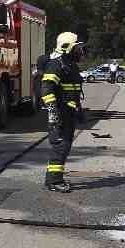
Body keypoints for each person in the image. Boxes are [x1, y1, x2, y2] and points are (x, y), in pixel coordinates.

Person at [40, 32, 86, 193]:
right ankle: (53, 180)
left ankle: (55, 178)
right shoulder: (56, 65)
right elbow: (46, 89)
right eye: (77, 47)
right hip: (60, 113)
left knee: (64, 146)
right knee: (60, 146)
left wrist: (79, 110)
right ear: (67, 48)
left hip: (69, 112)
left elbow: (73, 90)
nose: (81, 51)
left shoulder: (70, 65)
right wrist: (53, 112)